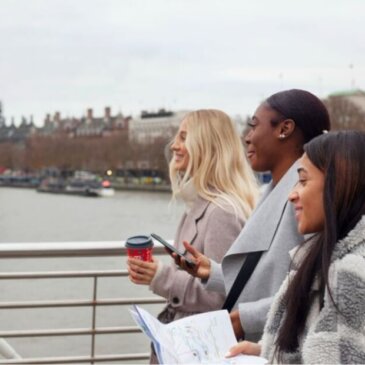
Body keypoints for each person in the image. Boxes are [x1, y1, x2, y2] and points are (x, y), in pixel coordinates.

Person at [176, 89, 331, 341]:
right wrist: (212, 273)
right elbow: (268, 278)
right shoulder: (273, 190)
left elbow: (316, 288)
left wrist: (247, 318)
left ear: (284, 129)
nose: (247, 137)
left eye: (254, 125)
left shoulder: (308, 195)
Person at [127, 109, 258, 362]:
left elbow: (221, 295)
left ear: (207, 146)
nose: (175, 145)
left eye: (184, 137)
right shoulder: (204, 205)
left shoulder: (222, 212)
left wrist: (159, 276)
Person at [227, 130, 365, 364]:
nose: (292, 195)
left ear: (338, 185)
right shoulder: (327, 258)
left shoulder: (349, 272)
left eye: (302, 180)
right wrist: (264, 352)